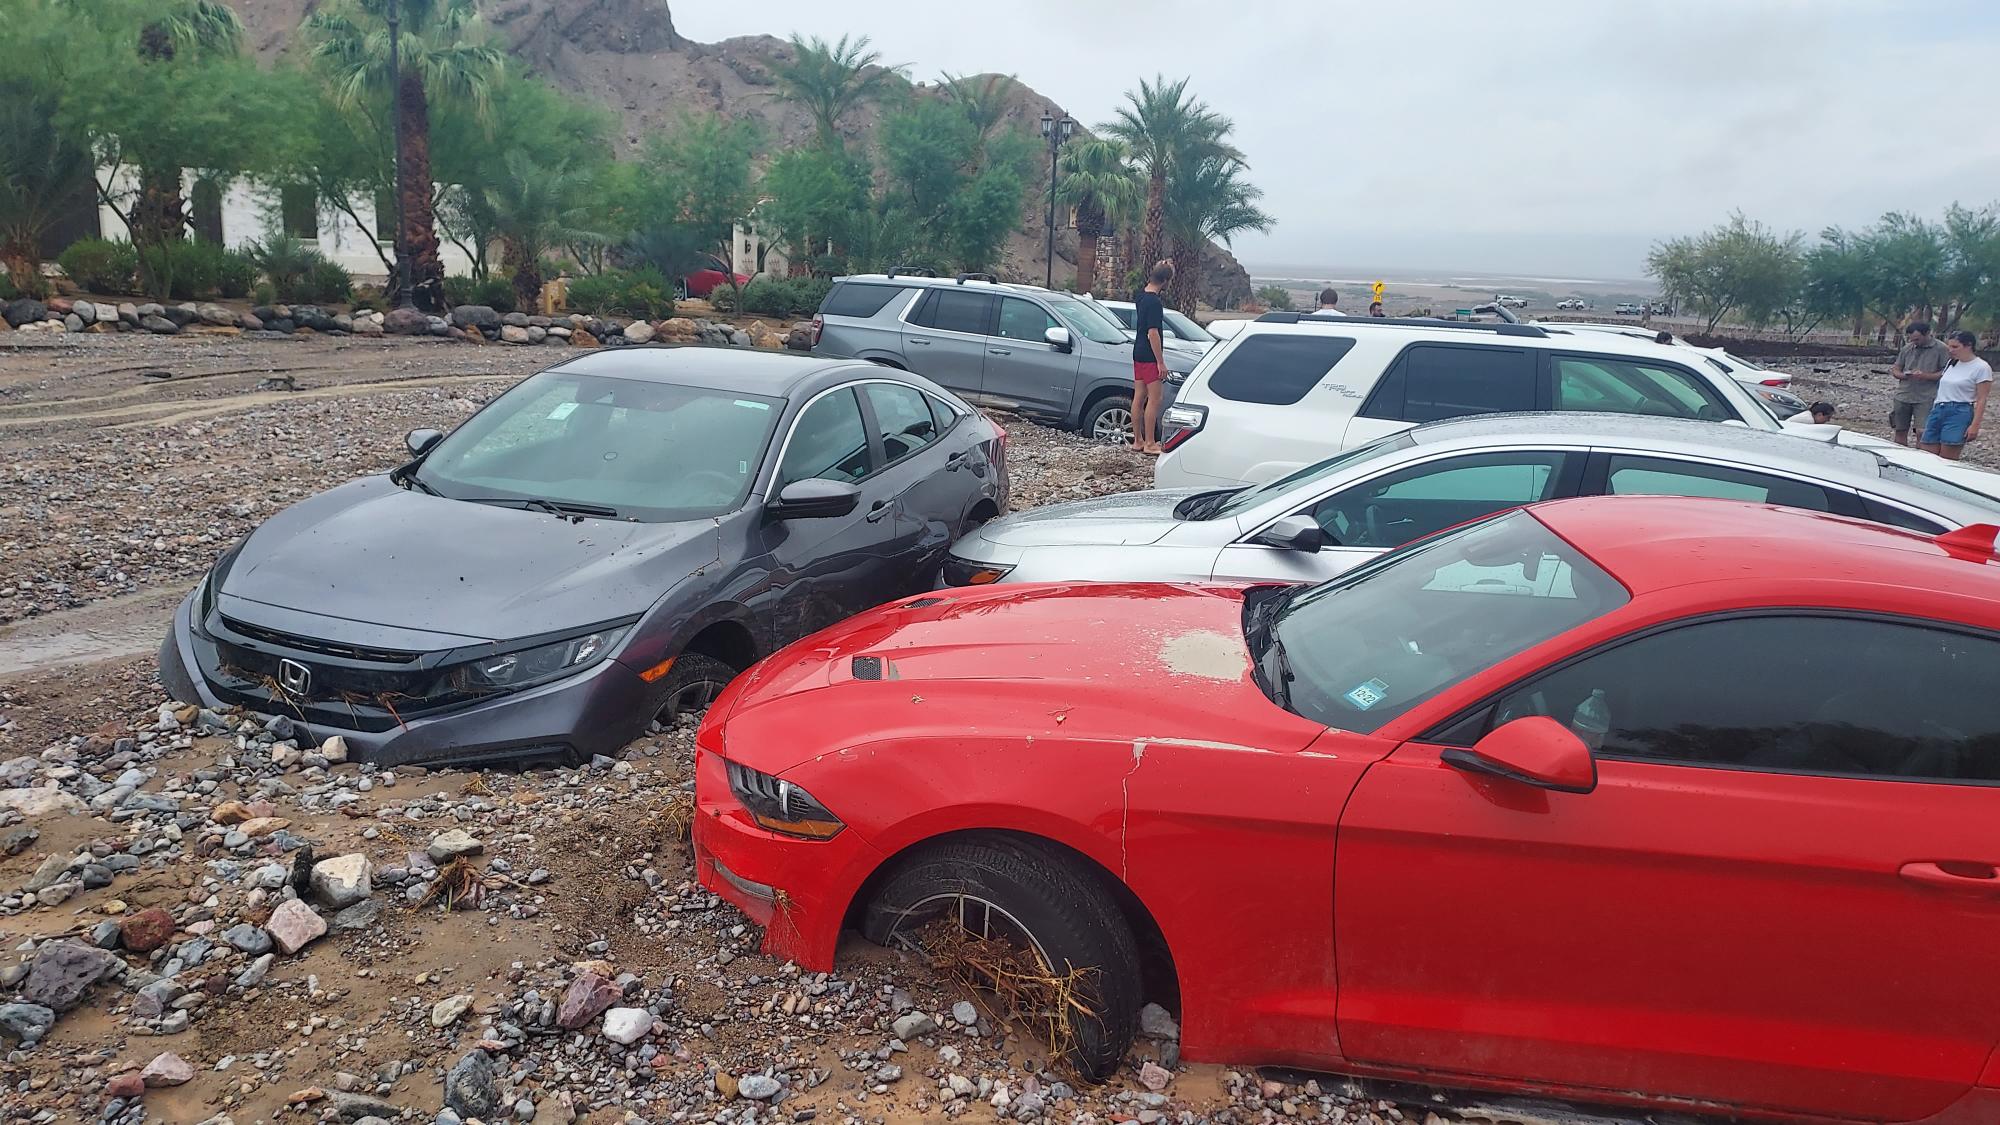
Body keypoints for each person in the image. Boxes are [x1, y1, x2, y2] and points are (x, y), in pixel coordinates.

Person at [1919, 330, 1992, 460]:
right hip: (1938, 408)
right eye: (1949, 347)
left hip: (1959, 411)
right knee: (1927, 453)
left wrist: (1975, 425)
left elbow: (1982, 399)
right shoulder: (1951, 363)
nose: (1951, 350)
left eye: (1955, 347)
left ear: (1968, 346)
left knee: (1948, 457)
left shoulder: (1981, 367)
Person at [1130, 261, 1173, 455]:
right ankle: (1149, 443)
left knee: (1139, 396)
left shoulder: (1141, 297)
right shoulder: (1154, 303)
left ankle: (1137, 440)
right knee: (1155, 399)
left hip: (1138, 351)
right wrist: (1160, 361)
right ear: (1165, 281)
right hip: (1149, 355)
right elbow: (1153, 333)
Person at [1889, 321, 1950, 446]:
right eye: (1912, 339)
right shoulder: (1907, 348)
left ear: (1927, 333)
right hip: (1904, 395)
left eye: (1917, 339)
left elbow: (1946, 372)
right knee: (1900, 429)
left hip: (1926, 397)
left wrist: (1925, 376)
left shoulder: (1942, 349)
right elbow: (1896, 369)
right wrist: (1904, 375)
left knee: (1922, 432)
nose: (1914, 342)